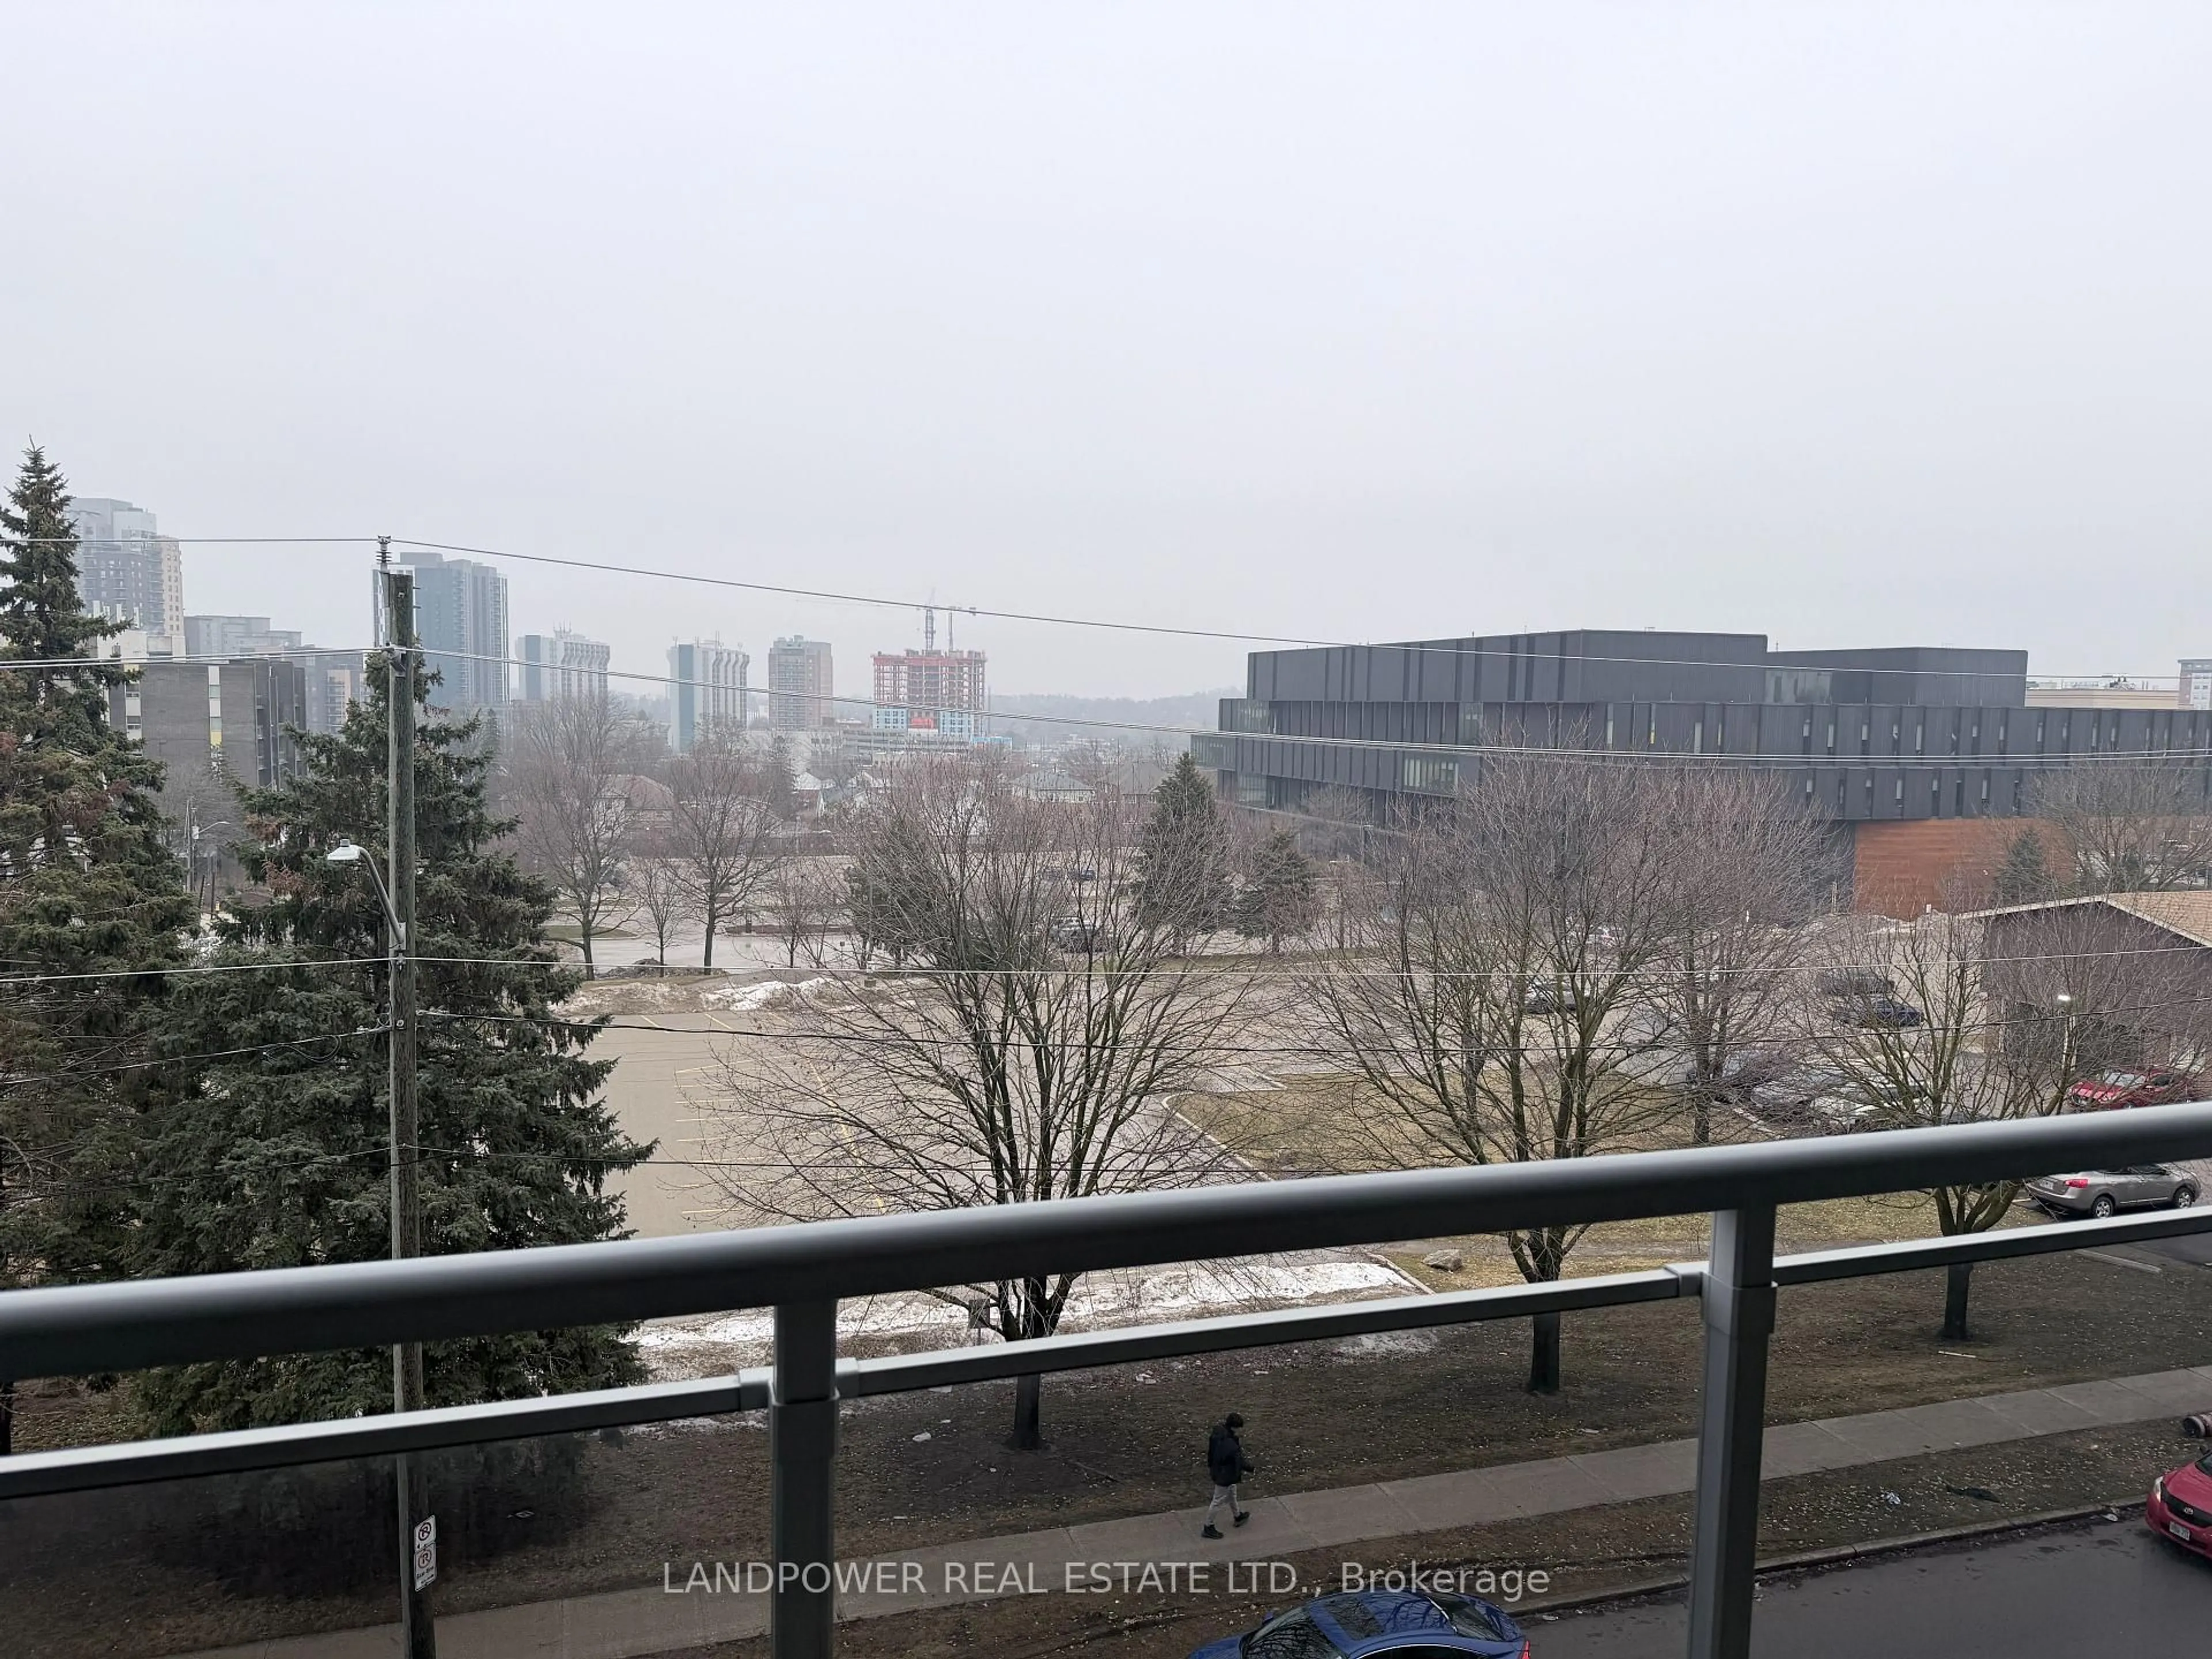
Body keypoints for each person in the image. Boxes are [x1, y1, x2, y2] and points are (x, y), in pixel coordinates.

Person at [1201, 1411, 1254, 1538]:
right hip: (1226, 1475)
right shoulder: (1230, 1444)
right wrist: (1251, 1468)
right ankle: (1208, 1526)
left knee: (1232, 1494)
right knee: (1218, 1500)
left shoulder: (1218, 1435)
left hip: (1219, 1471)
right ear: (1235, 1427)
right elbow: (1239, 1460)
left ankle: (1237, 1515)